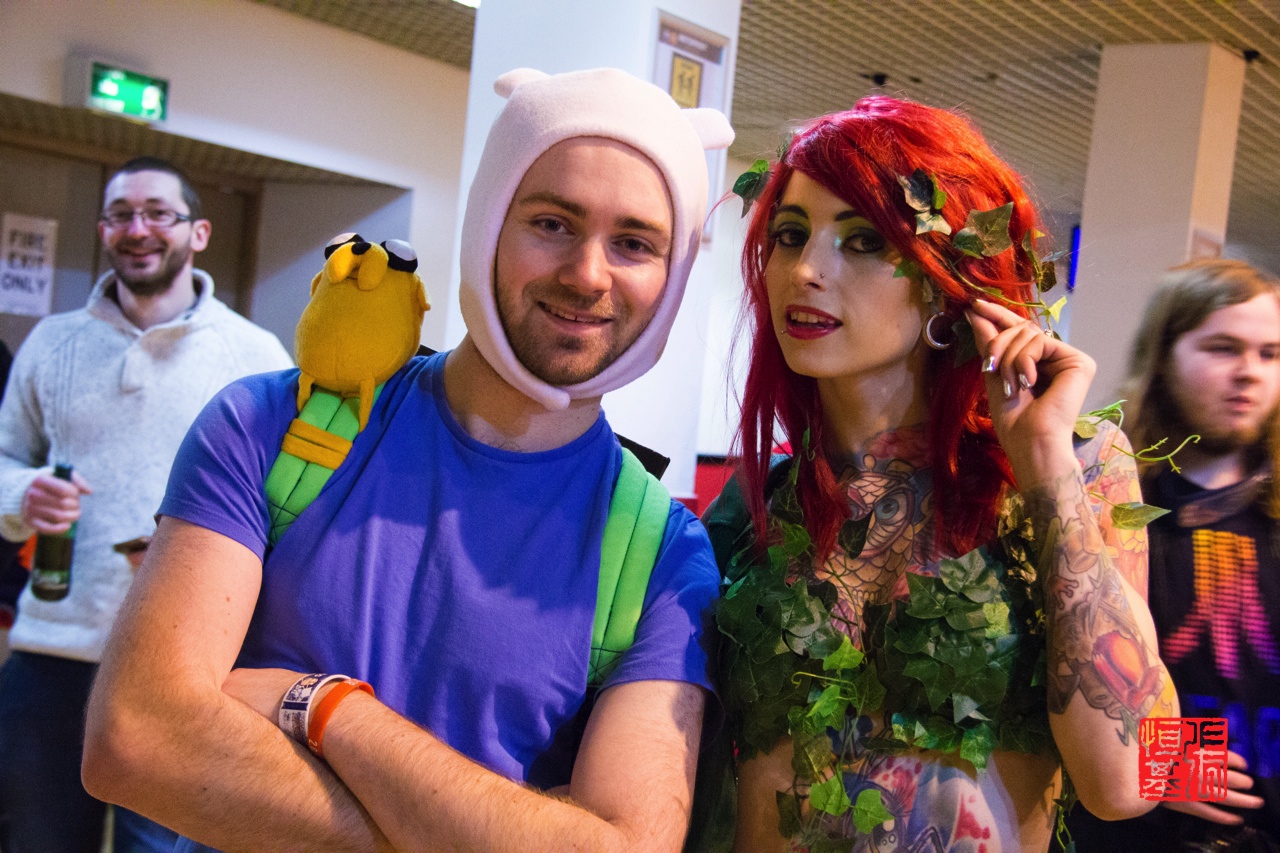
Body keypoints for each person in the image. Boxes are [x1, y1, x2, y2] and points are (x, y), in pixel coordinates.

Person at [82, 67, 733, 852]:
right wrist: (478, 830)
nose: (588, 274)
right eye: (552, 222)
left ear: (672, 275)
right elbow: (136, 740)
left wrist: (327, 709)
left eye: (633, 243)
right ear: (489, 225)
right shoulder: (270, 424)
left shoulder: (663, 557)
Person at [703, 96, 1180, 852]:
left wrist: (1044, 464)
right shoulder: (756, 503)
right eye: (790, 236)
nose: (807, 270)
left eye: (863, 240)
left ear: (942, 279)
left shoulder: (1082, 464)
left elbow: (1134, 782)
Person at [0, 156, 292, 852]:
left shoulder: (256, 356)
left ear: (198, 233)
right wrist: (21, 493)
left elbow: (288, 506)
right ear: (104, 230)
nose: (138, 229)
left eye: (159, 213)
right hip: (53, 649)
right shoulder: (52, 342)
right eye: (121, 214)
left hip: (184, 669)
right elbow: (6, 458)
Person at [1067, 258, 1280, 851]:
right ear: (1163, 355)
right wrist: (1152, 761)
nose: (1249, 373)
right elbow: (1061, 673)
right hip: (1141, 837)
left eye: (1270, 354)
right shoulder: (1109, 503)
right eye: (1222, 348)